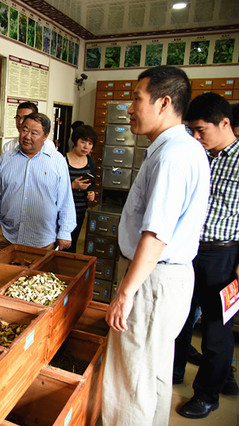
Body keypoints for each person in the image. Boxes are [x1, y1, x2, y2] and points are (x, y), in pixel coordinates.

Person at [102, 66, 210, 426]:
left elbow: (156, 234)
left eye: (136, 98)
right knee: (153, 371)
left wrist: (125, 293)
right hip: (165, 277)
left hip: (152, 280)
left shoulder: (171, 156)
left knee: (129, 380)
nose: (130, 108)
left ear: (163, 103)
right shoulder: (185, 148)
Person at [173, 92, 239, 419]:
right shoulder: (201, 156)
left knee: (216, 328)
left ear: (224, 123)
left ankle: (207, 394)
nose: (196, 137)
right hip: (190, 249)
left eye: (201, 130)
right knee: (181, 316)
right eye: (192, 131)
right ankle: (174, 371)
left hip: (223, 256)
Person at [0, 113, 75, 251]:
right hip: (6, 237)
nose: (27, 136)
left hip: (42, 240)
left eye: (34, 133)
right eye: (25, 130)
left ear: (45, 136)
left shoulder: (57, 161)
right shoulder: (5, 159)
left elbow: (65, 200)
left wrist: (65, 232)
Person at [64, 125, 97, 253]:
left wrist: (91, 191)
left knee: (73, 241)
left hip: (80, 208)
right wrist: (72, 186)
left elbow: (91, 183)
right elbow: (54, 186)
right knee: (61, 241)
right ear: (74, 141)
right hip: (63, 208)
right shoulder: (63, 159)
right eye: (83, 142)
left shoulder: (91, 162)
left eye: (90, 143)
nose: (86, 147)